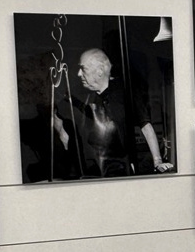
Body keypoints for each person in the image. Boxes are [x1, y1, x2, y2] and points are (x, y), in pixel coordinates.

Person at [56, 48, 173, 177]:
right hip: (93, 169)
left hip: (119, 169)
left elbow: (145, 125)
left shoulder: (125, 91)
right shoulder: (88, 96)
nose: (79, 74)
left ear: (100, 70)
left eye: (83, 69)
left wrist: (158, 161)